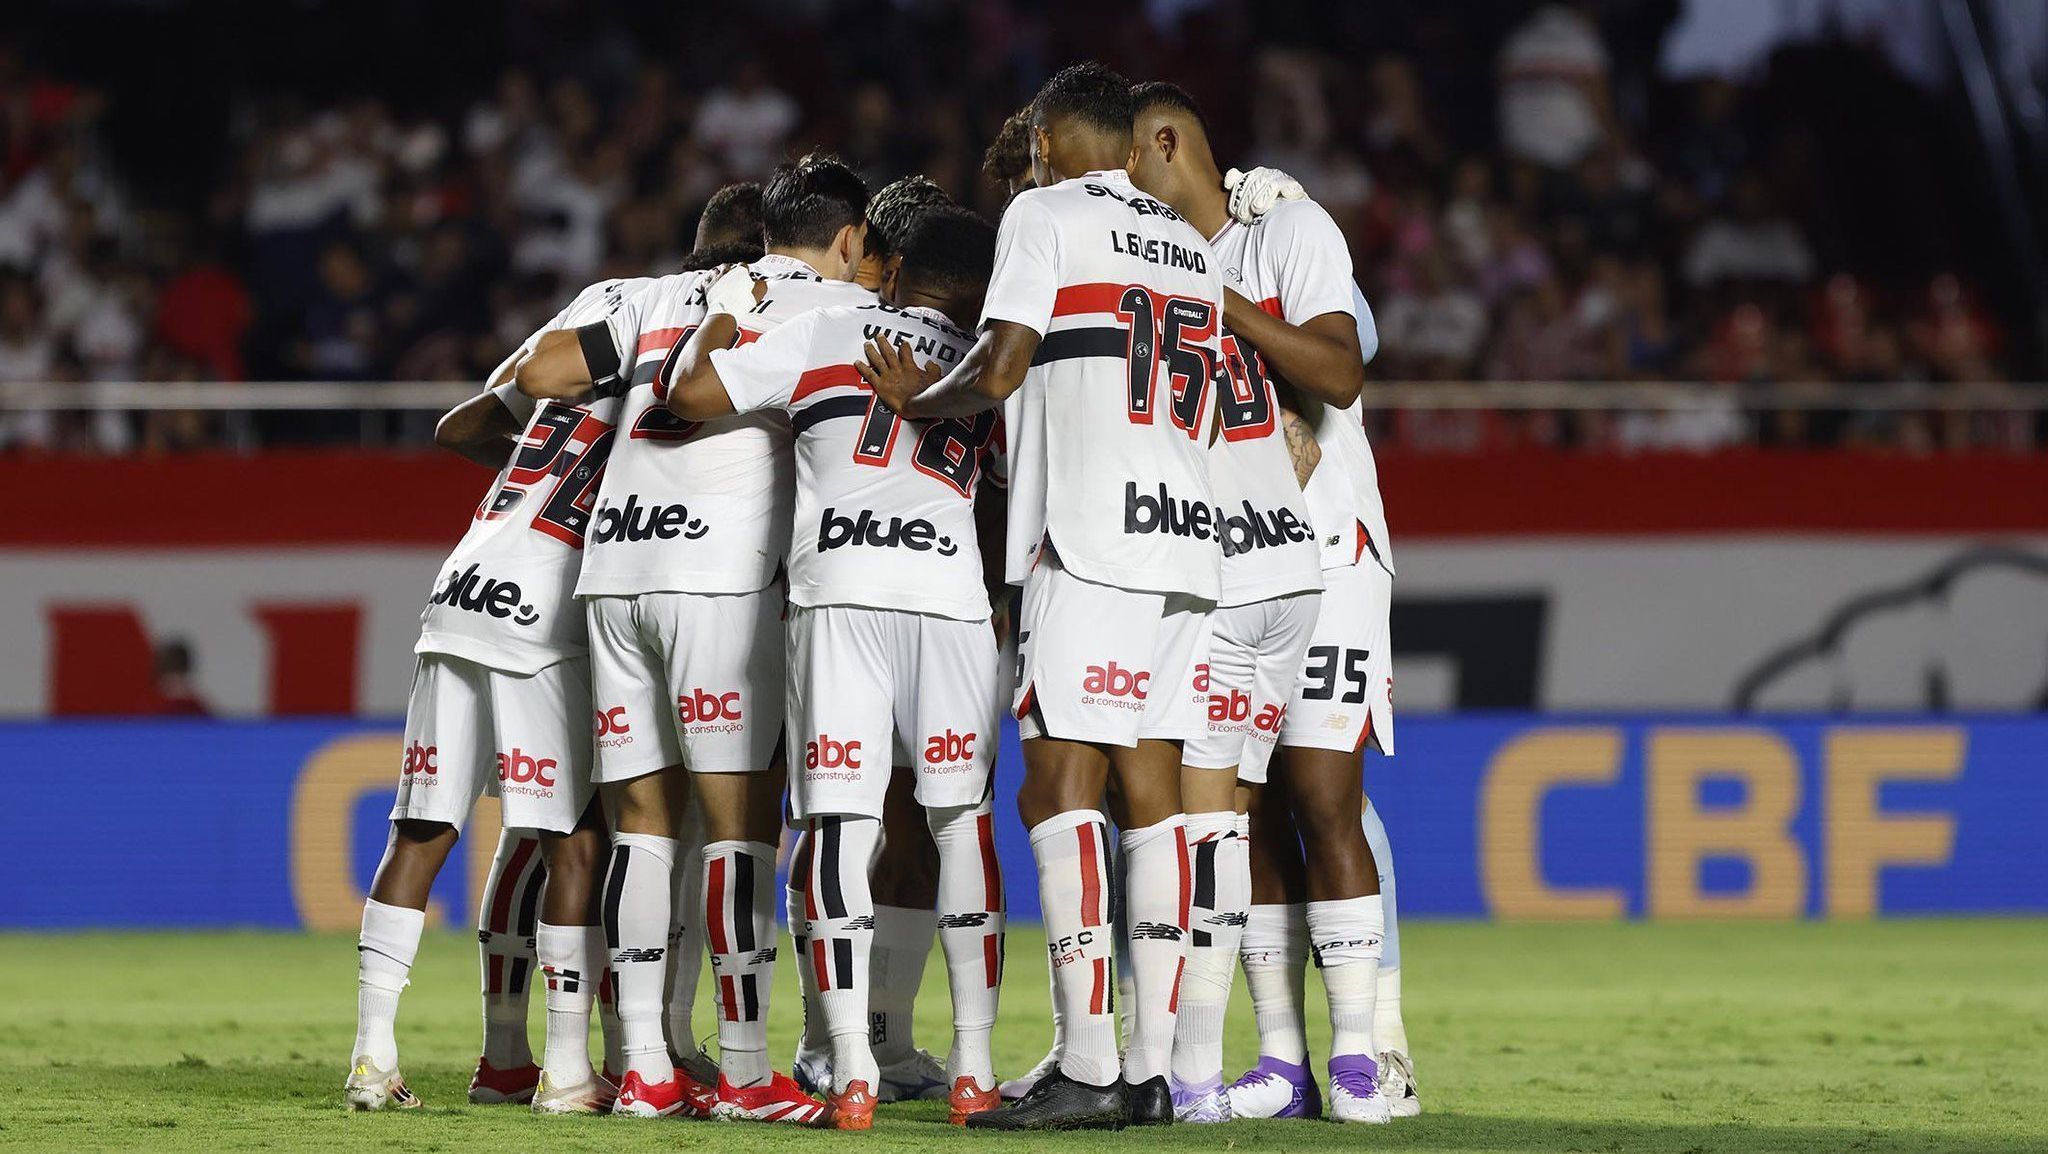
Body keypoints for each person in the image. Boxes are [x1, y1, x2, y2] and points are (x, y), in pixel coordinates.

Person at [860, 61, 1221, 1130]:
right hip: (1185, 545)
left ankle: (1091, 1067)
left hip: (1091, 540)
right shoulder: (1190, 243)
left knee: (1055, 789)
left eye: (1032, 141)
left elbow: (1002, 363)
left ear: (1052, 141)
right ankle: (1149, 1071)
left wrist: (916, 403)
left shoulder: (1043, 213)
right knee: (1152, 798)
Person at [517, 152, 874, 1123]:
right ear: (847, 240)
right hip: (718, 582)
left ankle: (643, 1067)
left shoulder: (655, 295)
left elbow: (539, 374)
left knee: (640, 824)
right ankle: (748, 1072)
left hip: (613, 573)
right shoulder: (833, 310)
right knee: (738, 829)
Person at [668, 205, 1009, 1129]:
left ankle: (850, 1066)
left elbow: (689, 395)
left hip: (839, 594)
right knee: (960, 826)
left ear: (891, 272)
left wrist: (724, 313)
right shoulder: (993, 366)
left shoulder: (825, 330)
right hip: (950, 602)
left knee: (838, 825)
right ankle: (974, 1069)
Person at [345, 275, 643, 1115]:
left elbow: (457, 427)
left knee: (421, 830)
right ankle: (568, 1070)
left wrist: (522, 424)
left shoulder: (555, 401)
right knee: (573, 841)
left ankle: (371, 1058)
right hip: (541, 615)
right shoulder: (662, 404)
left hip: (458, 591)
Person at [1185, 149, 1416, 1122]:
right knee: (1248, 806)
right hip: (1226, 562)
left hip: (1325, 548)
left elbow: (1351, 346)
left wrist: (1262, 254)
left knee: (1328, 796)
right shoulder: (1139, 254)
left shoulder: (1279, 226)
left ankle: (1375, 1046)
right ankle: (1281, 1058)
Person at [1125, 81, 1334, 1124]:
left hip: (1222, 574)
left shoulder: (1160, 282)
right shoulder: (1222, 274)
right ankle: (1220, 1063)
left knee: (1194, 825)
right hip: (1288, 567)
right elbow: (1294, 424)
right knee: (1233, 822)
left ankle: (1190, 1074)